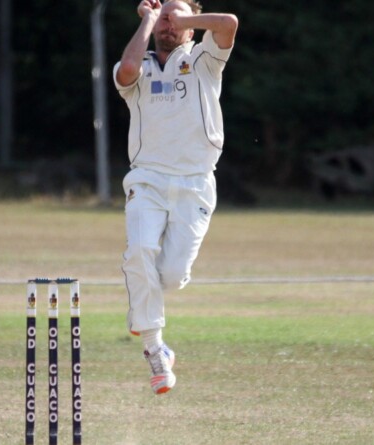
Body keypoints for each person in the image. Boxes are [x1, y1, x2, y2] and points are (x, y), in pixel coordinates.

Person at [113, 0, 238, 394]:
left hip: (194, 182)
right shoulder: (142, 65)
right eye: (164, 17)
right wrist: (150, 21)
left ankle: (150, 320)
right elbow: (126, 70)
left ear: (191, 27)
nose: (169, 22)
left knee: (169, 276)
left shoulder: (204, 59)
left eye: (177, 17)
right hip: (147, 179)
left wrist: (184, 18)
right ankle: (154, 348)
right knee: (139, 252)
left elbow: (228, 23)